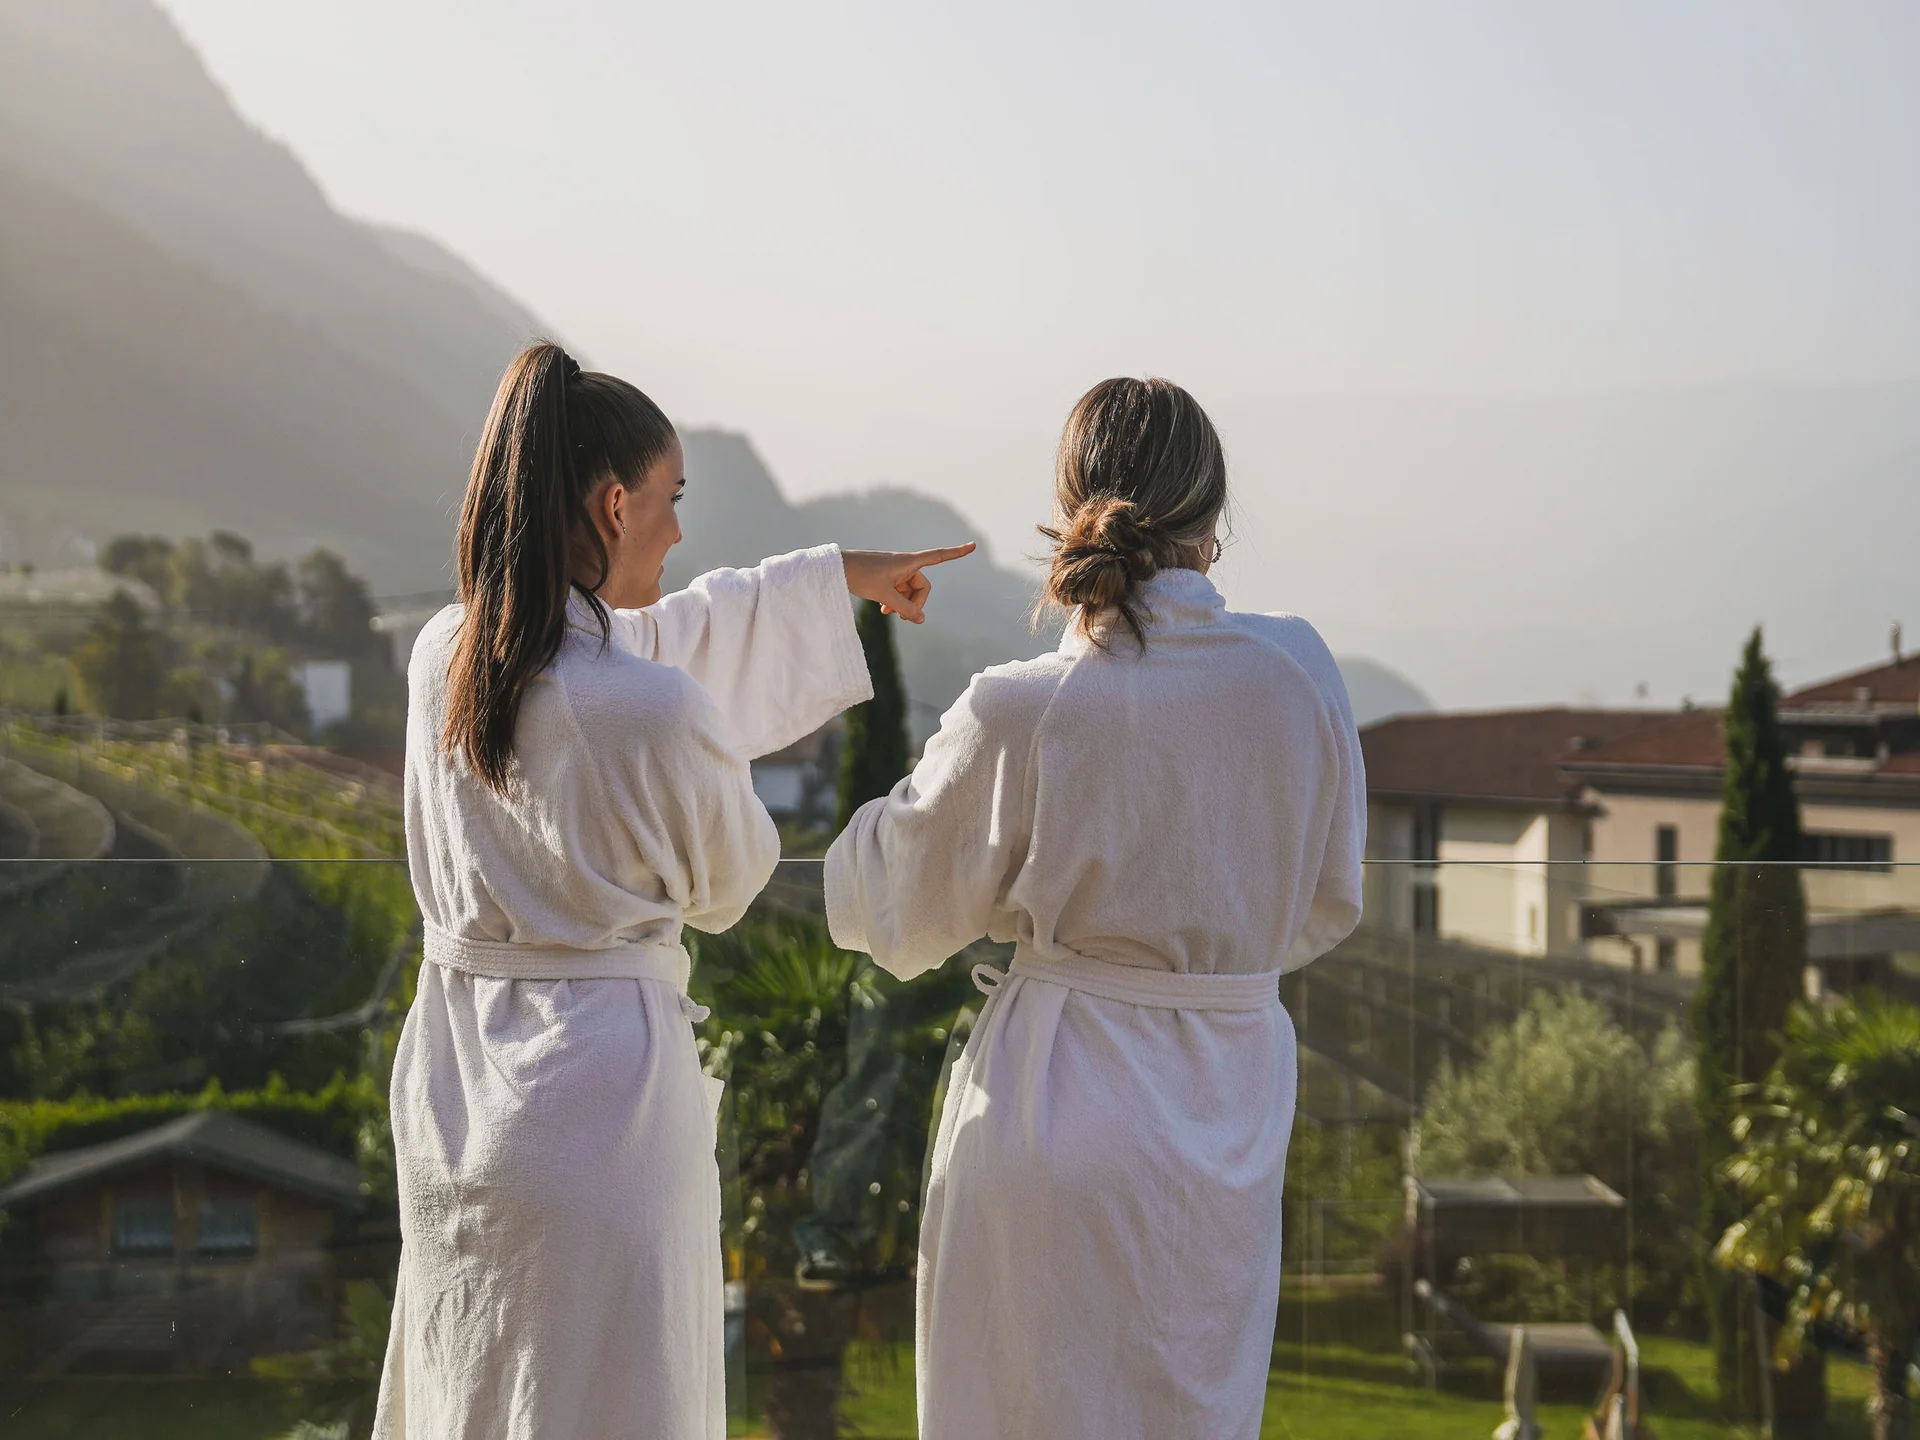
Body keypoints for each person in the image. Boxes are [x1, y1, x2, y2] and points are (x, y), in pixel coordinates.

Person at [373, 341, 971, 1440]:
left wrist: (839, 575)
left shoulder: (443, 659)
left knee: (480, 1385)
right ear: (612, 505)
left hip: (457, 1103)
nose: (681, 531)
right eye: (670, 501)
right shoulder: (648, 708)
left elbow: (649, 638)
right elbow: (728, 880)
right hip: (599, 1114)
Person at [824, 376, 1366, 1440]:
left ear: (1071, 501)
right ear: (1214, 518)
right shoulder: (1299, 675)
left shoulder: (1021, 708)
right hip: (1231, 1112)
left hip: (1051, 1112)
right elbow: (1328, 897)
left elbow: (884, 910)